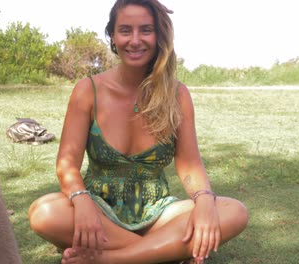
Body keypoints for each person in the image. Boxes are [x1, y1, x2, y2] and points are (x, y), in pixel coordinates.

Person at [28, 0, 248, 263]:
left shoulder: (177, 95)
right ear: (112, 36)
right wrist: (81, 200)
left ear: (158, 36)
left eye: (145, 30)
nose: (135, 40)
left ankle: (112, 259)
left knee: (233, 212)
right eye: (125, 30)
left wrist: (204, 201)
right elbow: (67, 165)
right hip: (99, 213)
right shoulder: (88, 91)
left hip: (158, 214)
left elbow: (190, 165)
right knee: (44, 212)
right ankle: (163, 251)